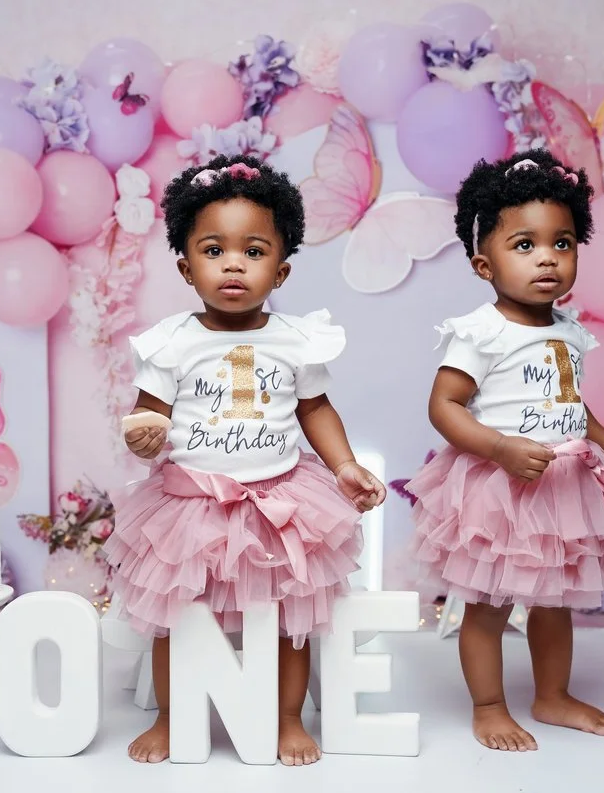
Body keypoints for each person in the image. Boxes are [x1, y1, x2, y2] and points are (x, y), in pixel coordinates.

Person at [104, 153, 386, 766]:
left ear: (280, 272)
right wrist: (143, 435)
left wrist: (342, 466)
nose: (234, 263)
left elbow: (315, 411)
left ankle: (287, 718)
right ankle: (174, 717)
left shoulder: (295, 340)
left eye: (254, 252)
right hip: (192, 508)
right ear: (185, 266)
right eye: (214, 250)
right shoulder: (171, 342)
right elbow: (146, 414)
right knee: (179, 616)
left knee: (290, 615)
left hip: (280, 499)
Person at [407, 149, 604, 752]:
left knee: (555, 603)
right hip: (503, 486)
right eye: (524, 244)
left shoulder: (568, 331)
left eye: (562, 243)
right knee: (488, 605)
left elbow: (568, 402)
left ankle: (552, 695)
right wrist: (500, 448)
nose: (547, 256)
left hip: (564, 485)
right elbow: (444, 407)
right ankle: (489, 706)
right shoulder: (481, 331)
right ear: (483, 264)